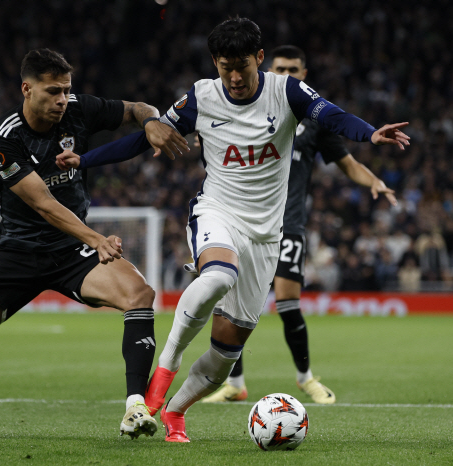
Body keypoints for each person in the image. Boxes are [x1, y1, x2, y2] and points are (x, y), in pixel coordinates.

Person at [59, 18, 409, 443]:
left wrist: (370, 134)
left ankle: (173, 413)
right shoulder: (201, 97)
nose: (236, 77)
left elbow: (333, 116)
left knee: (227, 353)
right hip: (218, 212)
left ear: (260, 58)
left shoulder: (286, 91)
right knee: (218, 276)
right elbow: (146, 139)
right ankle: (153, 394)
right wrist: (86, 160)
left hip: (266, 236)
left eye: (243, 66)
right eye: (226, 67)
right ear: (215, 63)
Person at [0, 48, 187, 439]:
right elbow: (42, 203)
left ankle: (135, 407)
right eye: (53, 91)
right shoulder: (3, 139)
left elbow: (137, 107)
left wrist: (153, 121)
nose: (62, 99)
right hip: (18, 251)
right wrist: (96, 239)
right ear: (27, 89)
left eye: (66, 90)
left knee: (139, 294)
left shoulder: (79, 108)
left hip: (71, 251)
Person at [201, 45, 398, 405]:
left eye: (294, 68)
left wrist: (373, 181)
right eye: (281, 68)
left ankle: (305, 378)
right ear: (266, 69)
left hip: (288, 223)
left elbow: (346, 162)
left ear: (304, 74)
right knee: (230, 301)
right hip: (241, 221)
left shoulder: (311, 118)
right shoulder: (241, 109)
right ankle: (235, 383)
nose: (287, 74)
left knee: (288, 302)